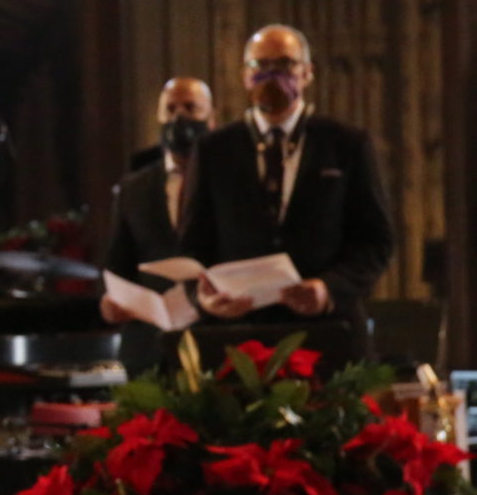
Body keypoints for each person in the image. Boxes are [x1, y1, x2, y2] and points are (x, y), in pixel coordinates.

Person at [180, 25, 394, 345]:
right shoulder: (213, 150)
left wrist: (329, 288)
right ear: (244, 76)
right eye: (260, 67)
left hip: (328, 330)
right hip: (240, 333)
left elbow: (376, 241)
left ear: (307, 73)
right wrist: (202, 298)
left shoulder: (346, 144)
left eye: (284, 65)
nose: (271, 76)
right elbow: (191, 246)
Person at [100, 75, 212, 325]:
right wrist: (110, 301)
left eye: (191, 108)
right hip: (149, 334)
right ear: (159, 117)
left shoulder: (227, 181)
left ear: (210, 118)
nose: (179, 117)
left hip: (211, 329)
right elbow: (117, 263)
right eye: (170, 109)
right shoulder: (133, 188)